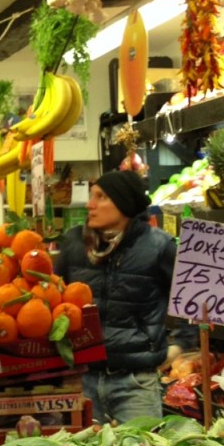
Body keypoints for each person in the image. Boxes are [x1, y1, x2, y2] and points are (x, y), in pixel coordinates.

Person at [53, 169, 193, 425]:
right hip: (82, 380)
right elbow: (50, 297)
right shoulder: (75, 242)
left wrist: (180, 344)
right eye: (92, 196)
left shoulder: (158, 246)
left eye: (101, 197)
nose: (90, 204)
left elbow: (191, 299)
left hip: (135, 382)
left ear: (124, 204)